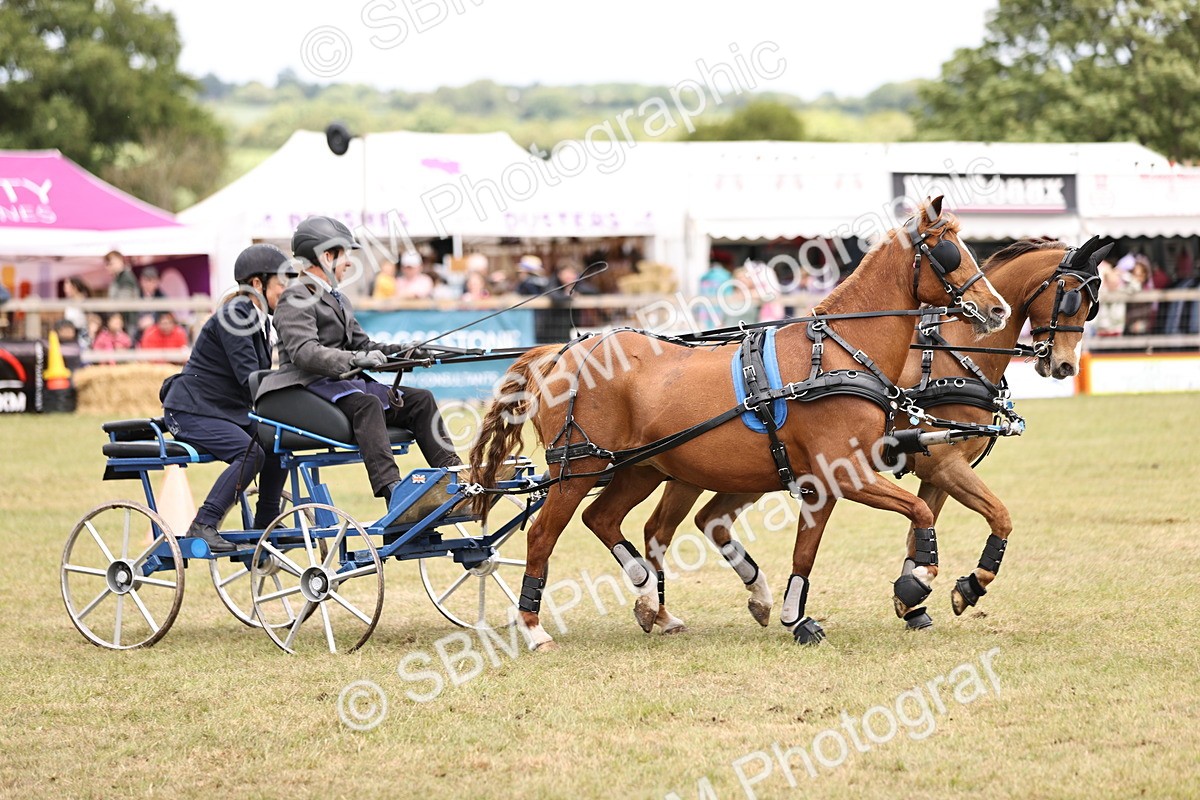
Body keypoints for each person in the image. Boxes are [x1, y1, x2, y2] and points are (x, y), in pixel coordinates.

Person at [258, 216, 461, 512]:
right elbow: (305, 353)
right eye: (345, 255)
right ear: (327, 256)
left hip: (342, 383)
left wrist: (405, 352)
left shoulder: (338, 298)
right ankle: (394, 492)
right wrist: (354, 359)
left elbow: (365, 346)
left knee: (421, 400)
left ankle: (454, 478)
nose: (349, 264)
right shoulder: (295, 296)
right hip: (308, 386)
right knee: (367, 404)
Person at [160, 244, 296, 553]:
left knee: (279, 441)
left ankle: (266, 521)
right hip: (191, 411)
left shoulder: (258, 320)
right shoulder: (236, 314)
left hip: (222, 411)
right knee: (251, 454)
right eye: (281, 284)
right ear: (258, 284)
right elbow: (250, 379)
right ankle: (204, 524)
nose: (286, 292)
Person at [133, 266, 166, 343]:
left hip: (156, 333)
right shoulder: (135, 295)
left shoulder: (162, 297)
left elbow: (166, 315)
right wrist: (139, 322)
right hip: (137, 334)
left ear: (157, 282)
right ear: (141, 281)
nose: (148, 284)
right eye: (146, 280)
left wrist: (154, 319)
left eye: (152, 280)